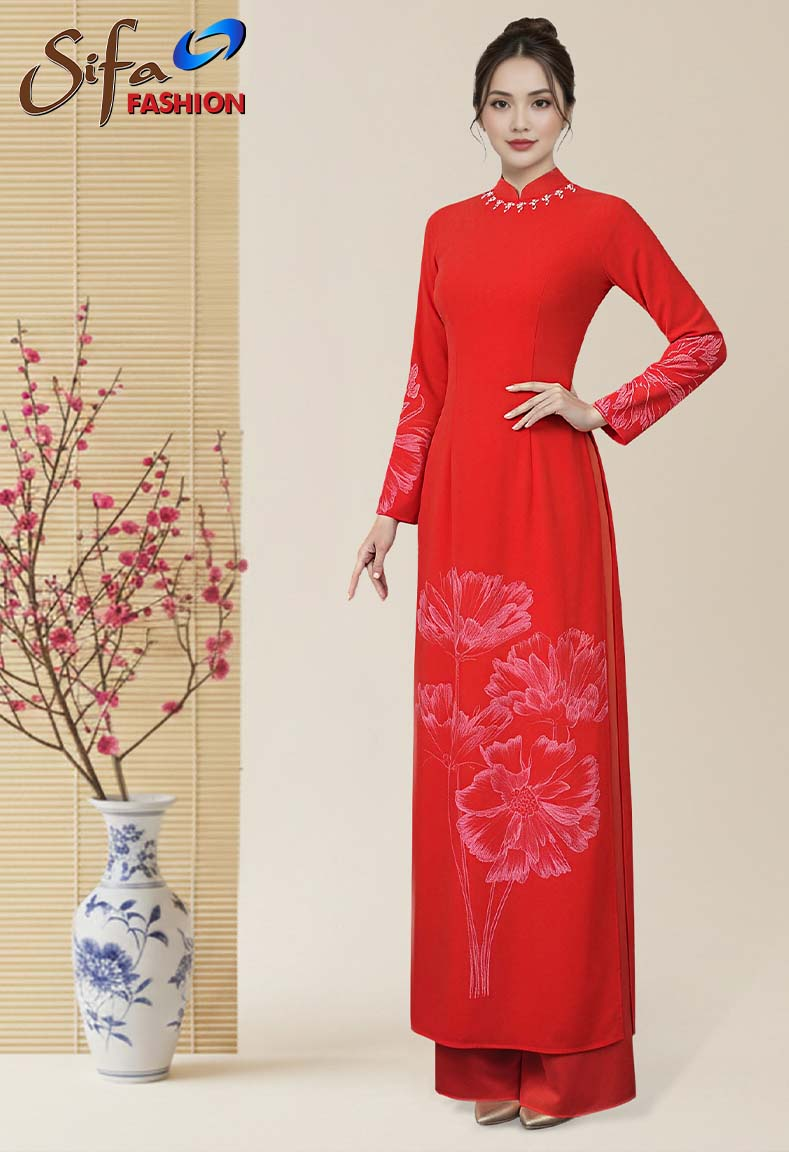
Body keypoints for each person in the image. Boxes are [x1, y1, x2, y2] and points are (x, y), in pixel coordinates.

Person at [347, 15, 726, 1131]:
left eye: (540, 102)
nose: (521, 122)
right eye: (501, 103)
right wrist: (388, 513)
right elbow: (426, 382)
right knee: (467, 773)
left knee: (555, 764)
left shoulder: (602, 220)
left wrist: (598, 408)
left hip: (550, 509)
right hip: (459, 522)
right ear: (478, 115)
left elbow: (699, 338)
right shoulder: (446, 230)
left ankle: (565, 1063)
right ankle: (484, 1061)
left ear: (566, 112)